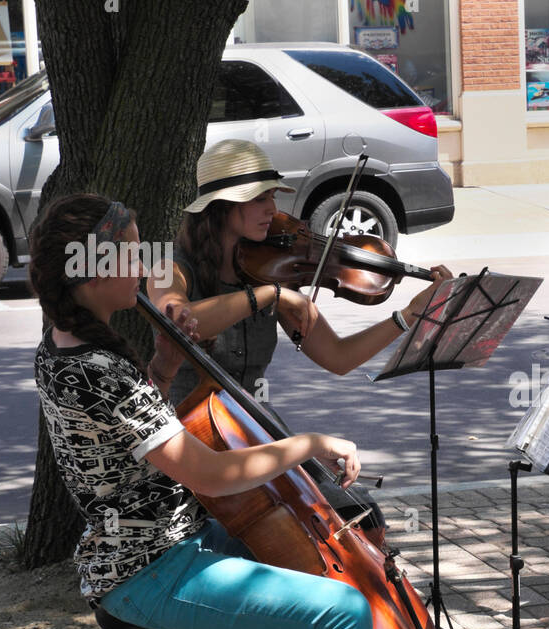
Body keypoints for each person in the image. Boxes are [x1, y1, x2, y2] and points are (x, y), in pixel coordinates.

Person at [31, 193, 465, 629]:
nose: (147, 265)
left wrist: (163, 363)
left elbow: (129, 441)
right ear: (93, 269)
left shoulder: (68, 345)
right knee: (342, 612)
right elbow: (210, 471)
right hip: (146, 569)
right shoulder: (95, 367)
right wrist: (308, 444)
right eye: (132, 253)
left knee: (303, 567)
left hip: (171, 540)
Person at [148, 139, 453, 550]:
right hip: (191, 436)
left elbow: (338, 357)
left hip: (252, 426)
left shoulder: (265, 269)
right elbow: (179, 321)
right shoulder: (171, 268)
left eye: (272, 196)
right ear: (221, 207)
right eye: (258, 199)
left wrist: (406, 318)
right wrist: (270, 295)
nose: (272, 210)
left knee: (358, 515)